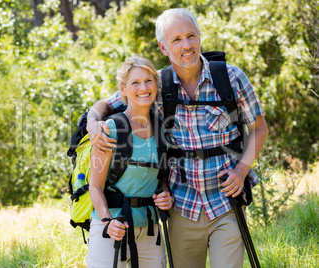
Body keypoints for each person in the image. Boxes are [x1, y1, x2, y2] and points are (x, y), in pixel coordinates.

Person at [85, 8, 268, 268]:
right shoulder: (154, 85)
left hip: (227, 201)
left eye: (191, 36)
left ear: (199, 37)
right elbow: (109, 102)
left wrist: (242, 169)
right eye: (177, 40)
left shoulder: (231, 77)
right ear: (163, 47)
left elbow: (259, 128)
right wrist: (93, 123)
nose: (187, 45)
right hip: (181, 206)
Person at [87, 56, 172, 268]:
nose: (143, 87)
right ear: (123, 89)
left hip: (150, 230)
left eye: (148, 80)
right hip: (111, 228)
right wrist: (107, 221)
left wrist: (165, 194)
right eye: (135, 82)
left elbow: (160, 179)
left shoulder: (163, 130)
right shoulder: (109, 129)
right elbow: (95, 187)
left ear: (156, 84)